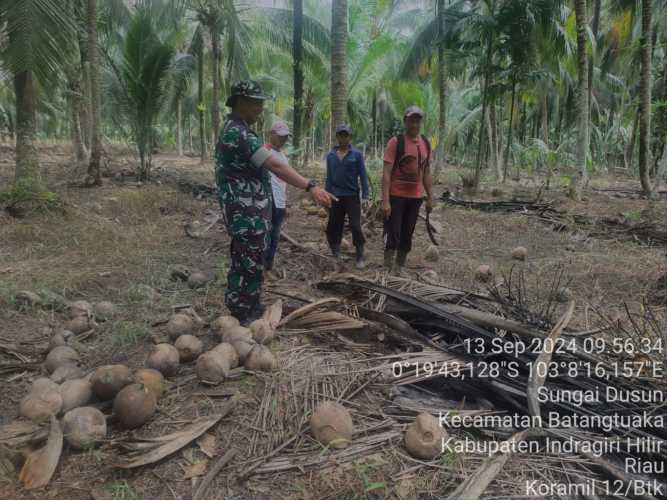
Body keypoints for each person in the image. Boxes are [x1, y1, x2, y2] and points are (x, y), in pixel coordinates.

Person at [215, 80, 336, 325]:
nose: (260, 108)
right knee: (247, 260)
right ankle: (241, 312)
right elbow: (275, 165)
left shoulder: (240, 129)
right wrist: (310, 186)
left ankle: (250, 304)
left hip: (250, 211)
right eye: (256, 103)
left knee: (252, 257)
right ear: (241, 102)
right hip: (244, 212)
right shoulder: (238, 133)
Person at [382, 106, 434, 275]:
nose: (415, 124)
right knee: (393, 232)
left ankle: (399, 266)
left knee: (407, 232)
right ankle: (387, 267)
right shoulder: (396, 142)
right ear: (405, 121)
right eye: (411, 120)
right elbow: (386, 174)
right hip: (396, 195)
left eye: (417, 121)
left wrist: (430, 197)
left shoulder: (426, 143)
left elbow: (426, 172)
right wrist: (385, 201)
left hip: (415, 197)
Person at [325, 124, 369, 269]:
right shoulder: (330, 156)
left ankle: (360, 253)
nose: (343, 138)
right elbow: (329, 178)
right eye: (341, 135)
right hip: (335, 196)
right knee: (333, 225)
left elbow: (363, 176)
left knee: (355, 225)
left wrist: (365, 196)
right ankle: (336, 252)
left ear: (350, 137)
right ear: (337, 137)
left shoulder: (356, 155)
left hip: (352, 196)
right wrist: (326, 195)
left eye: (346, 135)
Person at [264, 120, 291, 276]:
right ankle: (261, 267)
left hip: (279, 202)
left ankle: (268, 266)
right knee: (266, 235)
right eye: (280, 136)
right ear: (271, 134)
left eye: (286, 137)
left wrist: (285, 203)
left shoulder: (282, 155)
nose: (283, 140)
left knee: (275, 235)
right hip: (267, 200)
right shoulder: (263, 151)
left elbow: (283, 183)